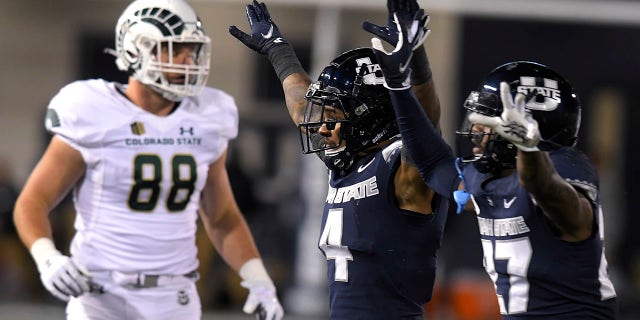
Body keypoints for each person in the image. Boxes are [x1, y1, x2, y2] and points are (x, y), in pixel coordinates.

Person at [12, 0, 284, 319]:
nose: (188, 59)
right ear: (134, 51)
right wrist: (48, 258)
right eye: (174, 50)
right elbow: (32, 200)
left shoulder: (208, 115)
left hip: (173, 295)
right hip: (100, 294)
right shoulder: (92, 110)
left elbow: (222, 216)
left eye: (191, 49)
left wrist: (257, 278)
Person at [229, 0, 456, 318]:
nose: (321, 128)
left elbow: (426, 129)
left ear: (370, 119)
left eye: (333, 116)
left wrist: (416, 57)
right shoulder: (350, 158)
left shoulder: (400, 171)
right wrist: (277, 49)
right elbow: (302, 107)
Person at [381, 39, 620, 318]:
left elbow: (553, 197)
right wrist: (403, 80)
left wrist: (528, 151)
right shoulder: (486, 180)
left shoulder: (565, 167)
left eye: (490, 121)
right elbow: (432, 162)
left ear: (528, 124)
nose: (477, 131)